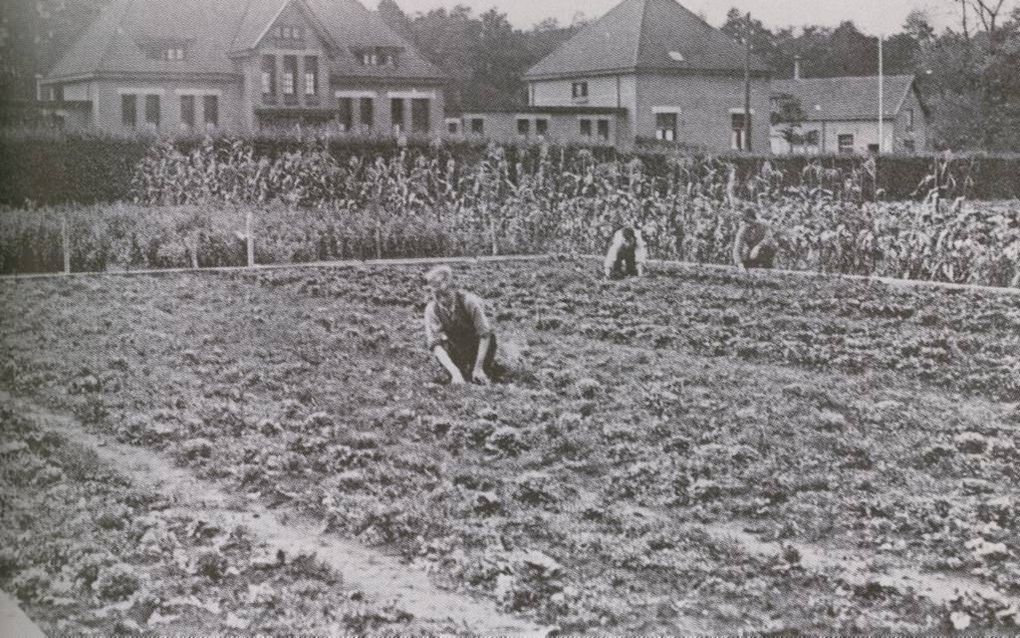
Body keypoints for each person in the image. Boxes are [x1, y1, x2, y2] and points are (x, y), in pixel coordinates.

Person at [423, 265, 498, 385]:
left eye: (445, 294)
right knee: (456, 372)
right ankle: (458, 371)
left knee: (480, 377)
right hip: (456, 349)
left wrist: (478, 368)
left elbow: (485, 334)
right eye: (437, 295)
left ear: (453, 288)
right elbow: (435, 345)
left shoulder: (469, 301)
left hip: (476, 345)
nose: (442, 300)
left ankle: (484, 368)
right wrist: (455, 373)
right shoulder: (432, 310)